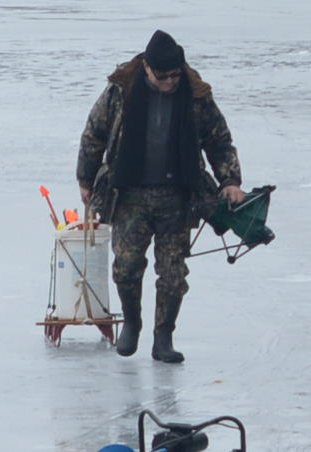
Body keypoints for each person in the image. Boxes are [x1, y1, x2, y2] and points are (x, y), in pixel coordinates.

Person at [76, 31, 245, 363]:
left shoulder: (196, 95)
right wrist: (85, 178)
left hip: (177, 195)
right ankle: (133, 324)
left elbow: (219, 140)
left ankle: (163, 336)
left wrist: (230, 180)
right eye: (163, 75)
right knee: (126, 268)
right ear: (148, 69)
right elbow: (94, 133)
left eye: (175, 74)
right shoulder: (120, 91)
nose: (171, 81)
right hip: (129, 195)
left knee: (172, 274)